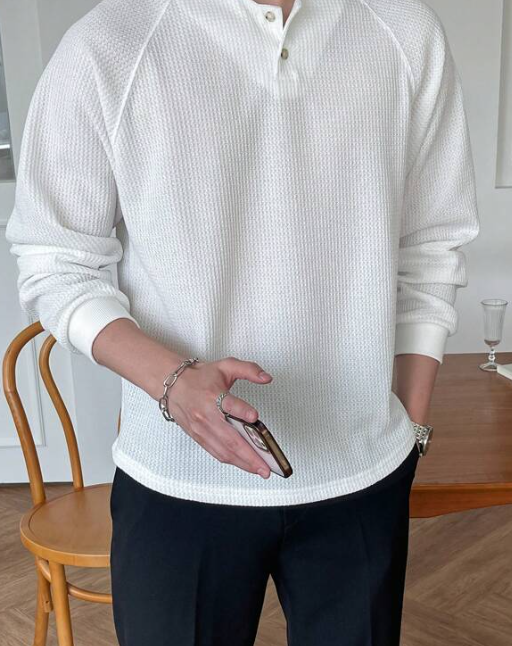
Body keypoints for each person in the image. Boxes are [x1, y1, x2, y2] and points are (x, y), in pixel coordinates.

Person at [5, 0, 480, 643]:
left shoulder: (403, 30)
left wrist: (410, 428)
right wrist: (173, 381)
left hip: (363, 478)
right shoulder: (111, 41)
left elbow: (431, 246)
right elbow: (54, 260)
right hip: (178, 479)